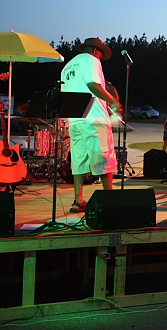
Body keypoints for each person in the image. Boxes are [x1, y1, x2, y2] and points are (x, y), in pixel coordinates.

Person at [61, 37, 121, 213]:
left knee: (78, 161)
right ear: (96, 51)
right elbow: (93, 85)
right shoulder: (92, 60)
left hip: (75, 119)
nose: (100, 59)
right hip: (94, 118)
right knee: (103, 158)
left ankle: (78, 200)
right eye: (100, 55)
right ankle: (108, 200)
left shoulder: (67, 66)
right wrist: (113, 101)